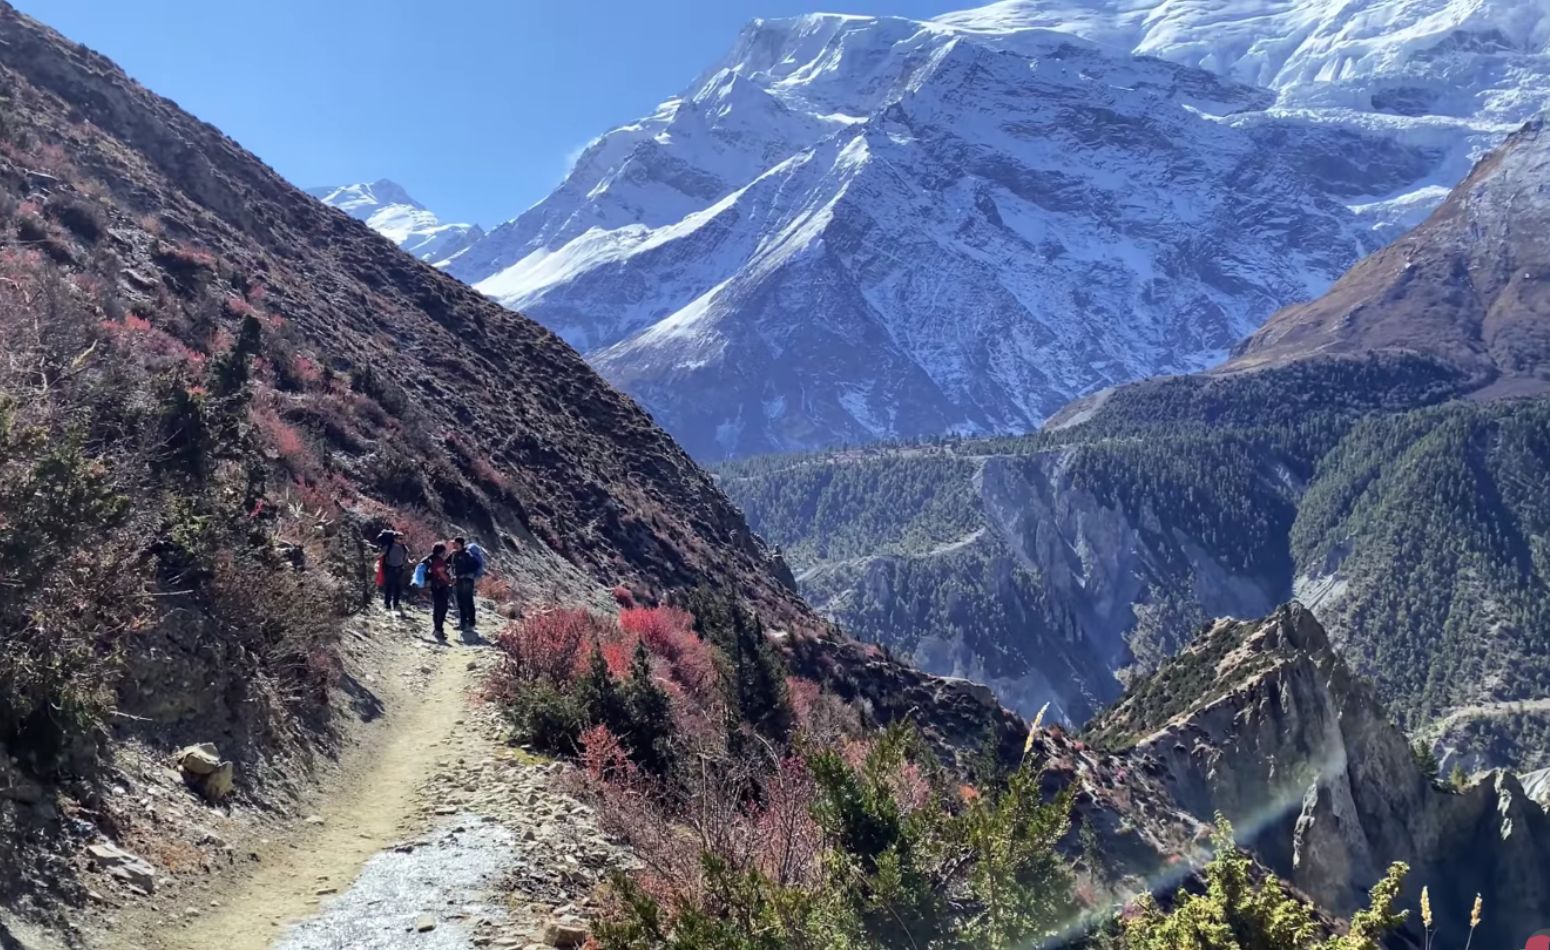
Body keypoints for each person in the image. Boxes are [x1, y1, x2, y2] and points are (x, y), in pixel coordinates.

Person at [420, 542, 454, 643]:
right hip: (441, 586)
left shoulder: (430, 559)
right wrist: (450, 581)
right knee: (442, 608)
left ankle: (437, 629)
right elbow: (441, 573)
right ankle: (439, 630)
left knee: (437, 607)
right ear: (442, 552)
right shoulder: (438, 561)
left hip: (434, 586)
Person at [450, 536, 483, 633]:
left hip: (467, 580)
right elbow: (448, 563)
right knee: (460, 602)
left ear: (459, 544)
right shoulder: (455, 554)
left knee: (468, 602)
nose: (453, 545)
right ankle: (463, 623)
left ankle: (471, 624)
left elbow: (475, 565)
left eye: (454, 543)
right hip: (459, 580)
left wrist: (464, 574)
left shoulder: (467, 554)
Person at [376, 529, 410, 614]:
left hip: (399, 569)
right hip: (390, 569)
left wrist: (409, 562)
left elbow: (405, 558)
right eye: (400, 538)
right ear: (395, 539)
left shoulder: (404, 548)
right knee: (389, 587)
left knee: (398, 588)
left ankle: (396, 604)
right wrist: (374, 557)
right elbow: (382, 553)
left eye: (402, 538)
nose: (402, 540)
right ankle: (387, 604)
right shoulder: (389, 546)